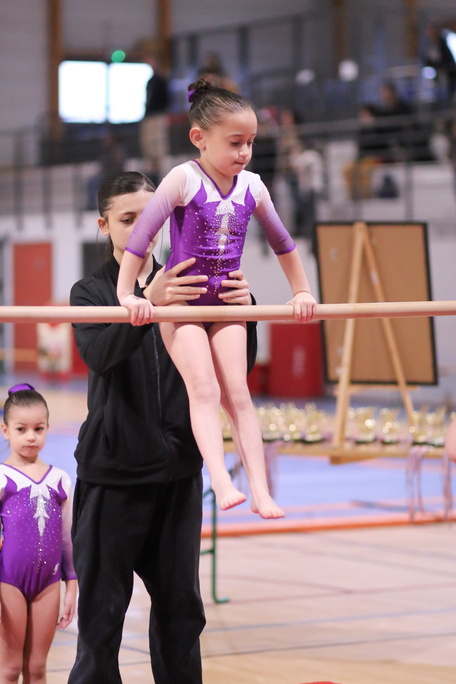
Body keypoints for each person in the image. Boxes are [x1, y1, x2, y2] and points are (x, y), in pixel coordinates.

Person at [68, 170, 258, 684]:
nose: (142, 229)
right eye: (128, 219)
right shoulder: (89, 292)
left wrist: (245, 311)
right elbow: (100, 356)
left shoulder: (194, 278)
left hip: (177, 479)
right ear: (104, 225)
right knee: (101, 619)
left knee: (181, 615)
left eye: (150, 217)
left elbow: (237, 368)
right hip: (114, 477)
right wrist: (148, 301)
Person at [117, 79, 317, 518]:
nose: (244, 152)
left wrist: (301, 290)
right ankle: (220, 479)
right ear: (199, 138)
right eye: (235, 142)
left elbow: (283, 244)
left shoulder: (254, 187)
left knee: (238, 394)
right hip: (182, 304)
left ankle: (260, 490)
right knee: (204, 389)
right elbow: (142, 237)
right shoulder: (183, 179)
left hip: (226, 303)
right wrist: (126, 294)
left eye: (251, 143)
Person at [0, 383, 77, 684]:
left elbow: (67, 539)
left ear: (47, 428)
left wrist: (71, 584)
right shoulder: (2, 477)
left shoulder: (60, 479)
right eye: (21, 429)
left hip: (49, 582)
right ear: (5, 430)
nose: (31, 437)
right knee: (9, 669)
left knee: (36, 669)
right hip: (9, 581)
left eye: (38, 429)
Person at [140, 54, 170, 186]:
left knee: (158, 147)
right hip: (149, 116)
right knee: (148, 146)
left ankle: (159, 176)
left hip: (157, 116)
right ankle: (151, 174)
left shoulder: (161, 81)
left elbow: (166, 99)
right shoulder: (150, 82)